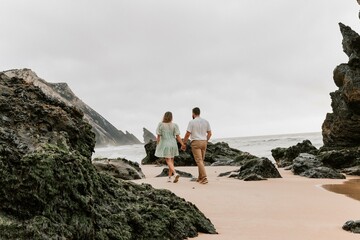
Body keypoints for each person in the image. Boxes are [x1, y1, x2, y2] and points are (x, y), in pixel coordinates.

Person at [181, 107, 212, 184]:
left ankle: (204, 178)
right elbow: (210, 133)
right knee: (201, 161)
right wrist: (206, 140)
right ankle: (200, 178)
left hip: (196, 142)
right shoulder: (206, 121)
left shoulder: (192, 122)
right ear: (199, 113)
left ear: (193, 113)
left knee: (199, 161)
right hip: (204, 142)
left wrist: (183, 143)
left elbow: (188, 133)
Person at [155, 111, 185, 183]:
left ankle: (174, 173)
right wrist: (182, 144)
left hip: (166, 144)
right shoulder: (174, 125)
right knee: (171, 161)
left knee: (168, 160)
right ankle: (169, 177)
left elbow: (158, 136)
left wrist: (158, 144)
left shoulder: (160, 124)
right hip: (173, 144)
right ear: (171, 117)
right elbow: (177, 136)